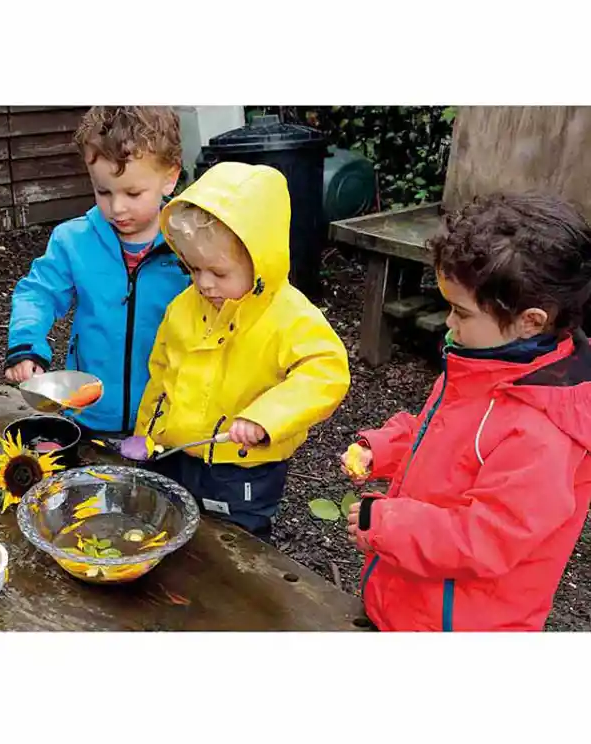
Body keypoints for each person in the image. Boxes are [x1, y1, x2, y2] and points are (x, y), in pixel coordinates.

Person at [342, 191, 591, 631]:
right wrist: (381, 449)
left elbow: (487, 537)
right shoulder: (487, 366)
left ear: (531, 320)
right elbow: (439, 433)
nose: (449, 324)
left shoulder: (543, 431)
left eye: (460, 312)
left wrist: (383, 524)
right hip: (415, 605)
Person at [134, 161, 351, 538]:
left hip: (242, 465)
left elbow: (326, 372)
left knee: (238, 540)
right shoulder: (183, 308)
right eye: (193, 268)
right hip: (176, 451)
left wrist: (265, 418)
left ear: (260, 261)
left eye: (218, 273)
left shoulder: (287, 315)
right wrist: (146, 436)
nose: (204, 283)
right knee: (173, 524)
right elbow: (161, 375)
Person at [4, 107, 190, 433]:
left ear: (170, 178)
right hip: (91, 414)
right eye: (103, 191)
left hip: (170, 421)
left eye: (133, 193)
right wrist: (26, 344)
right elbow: (38, 293)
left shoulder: (191, 245)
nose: (116, 207)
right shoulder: (73, 240)